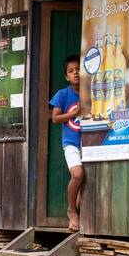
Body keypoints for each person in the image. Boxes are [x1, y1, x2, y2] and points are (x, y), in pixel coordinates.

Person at [49, 54, 85, 231]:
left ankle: (77, 210)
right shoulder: (63, 94)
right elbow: (55, 118)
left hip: (91, 142)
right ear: (66, 77)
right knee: (77, 175)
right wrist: (73, 113)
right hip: (71, 142)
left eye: (78, 69)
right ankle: (71, 211)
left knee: (86, 180)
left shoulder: (91, 90)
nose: (76, 73)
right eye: (71, 71)